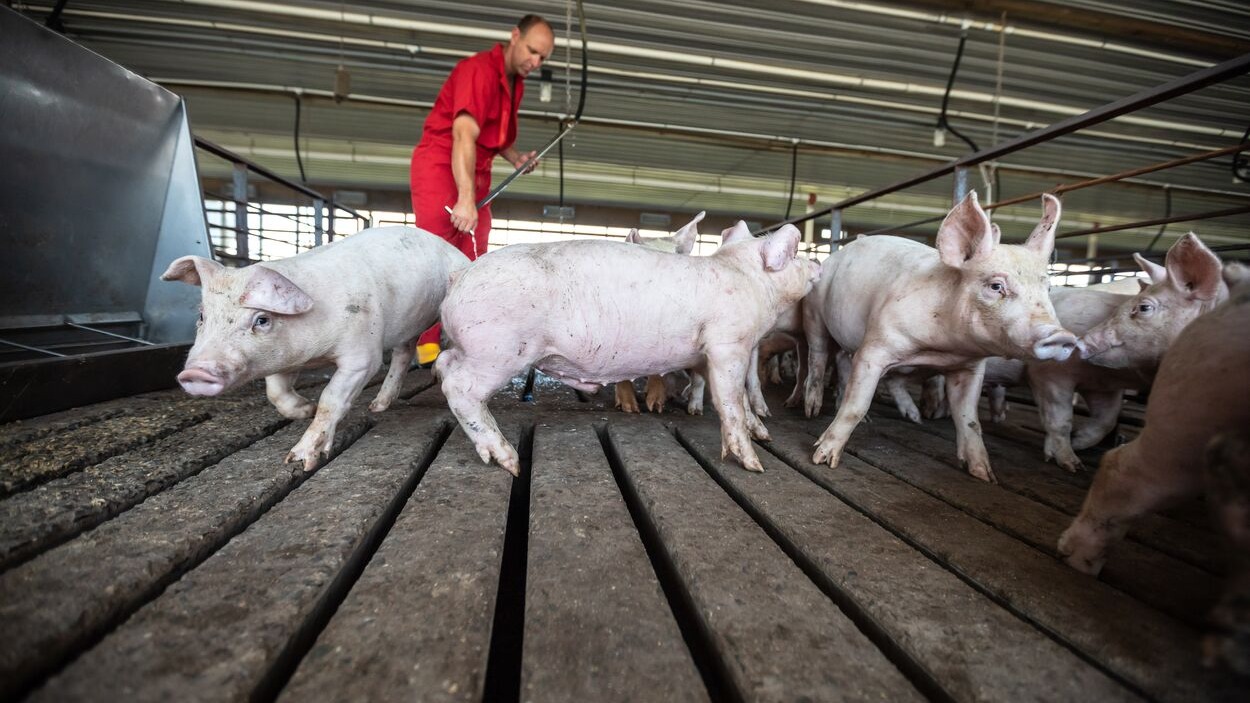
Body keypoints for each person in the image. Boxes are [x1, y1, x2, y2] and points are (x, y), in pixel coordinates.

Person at [410, 14, 555, 365]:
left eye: (543, 58)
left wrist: (516, 157)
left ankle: (465, 338)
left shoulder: (515, 81)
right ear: (514, 36)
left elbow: (493, 136)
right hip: (444, 166)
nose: (535, 63)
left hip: (477, 171)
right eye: (532, 52)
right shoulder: (479, 71)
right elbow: (463, 135)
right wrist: (463, 199)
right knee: (435, 255)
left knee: (474, 257)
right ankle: (422, 347)